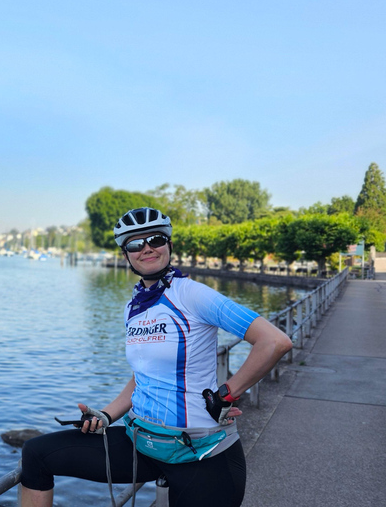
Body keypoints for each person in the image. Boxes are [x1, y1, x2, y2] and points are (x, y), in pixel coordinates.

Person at [20, 207, 293, 507]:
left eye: (156, 239)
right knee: (36, 455)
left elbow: (274, 341)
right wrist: (106, 415)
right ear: (127, 255)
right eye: (136, 244)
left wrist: (225, 395)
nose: (147, 248)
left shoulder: (192, 294)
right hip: (143, 443)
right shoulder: (134, 308)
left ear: (169, 245)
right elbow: (142, 376)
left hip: (200, 453)